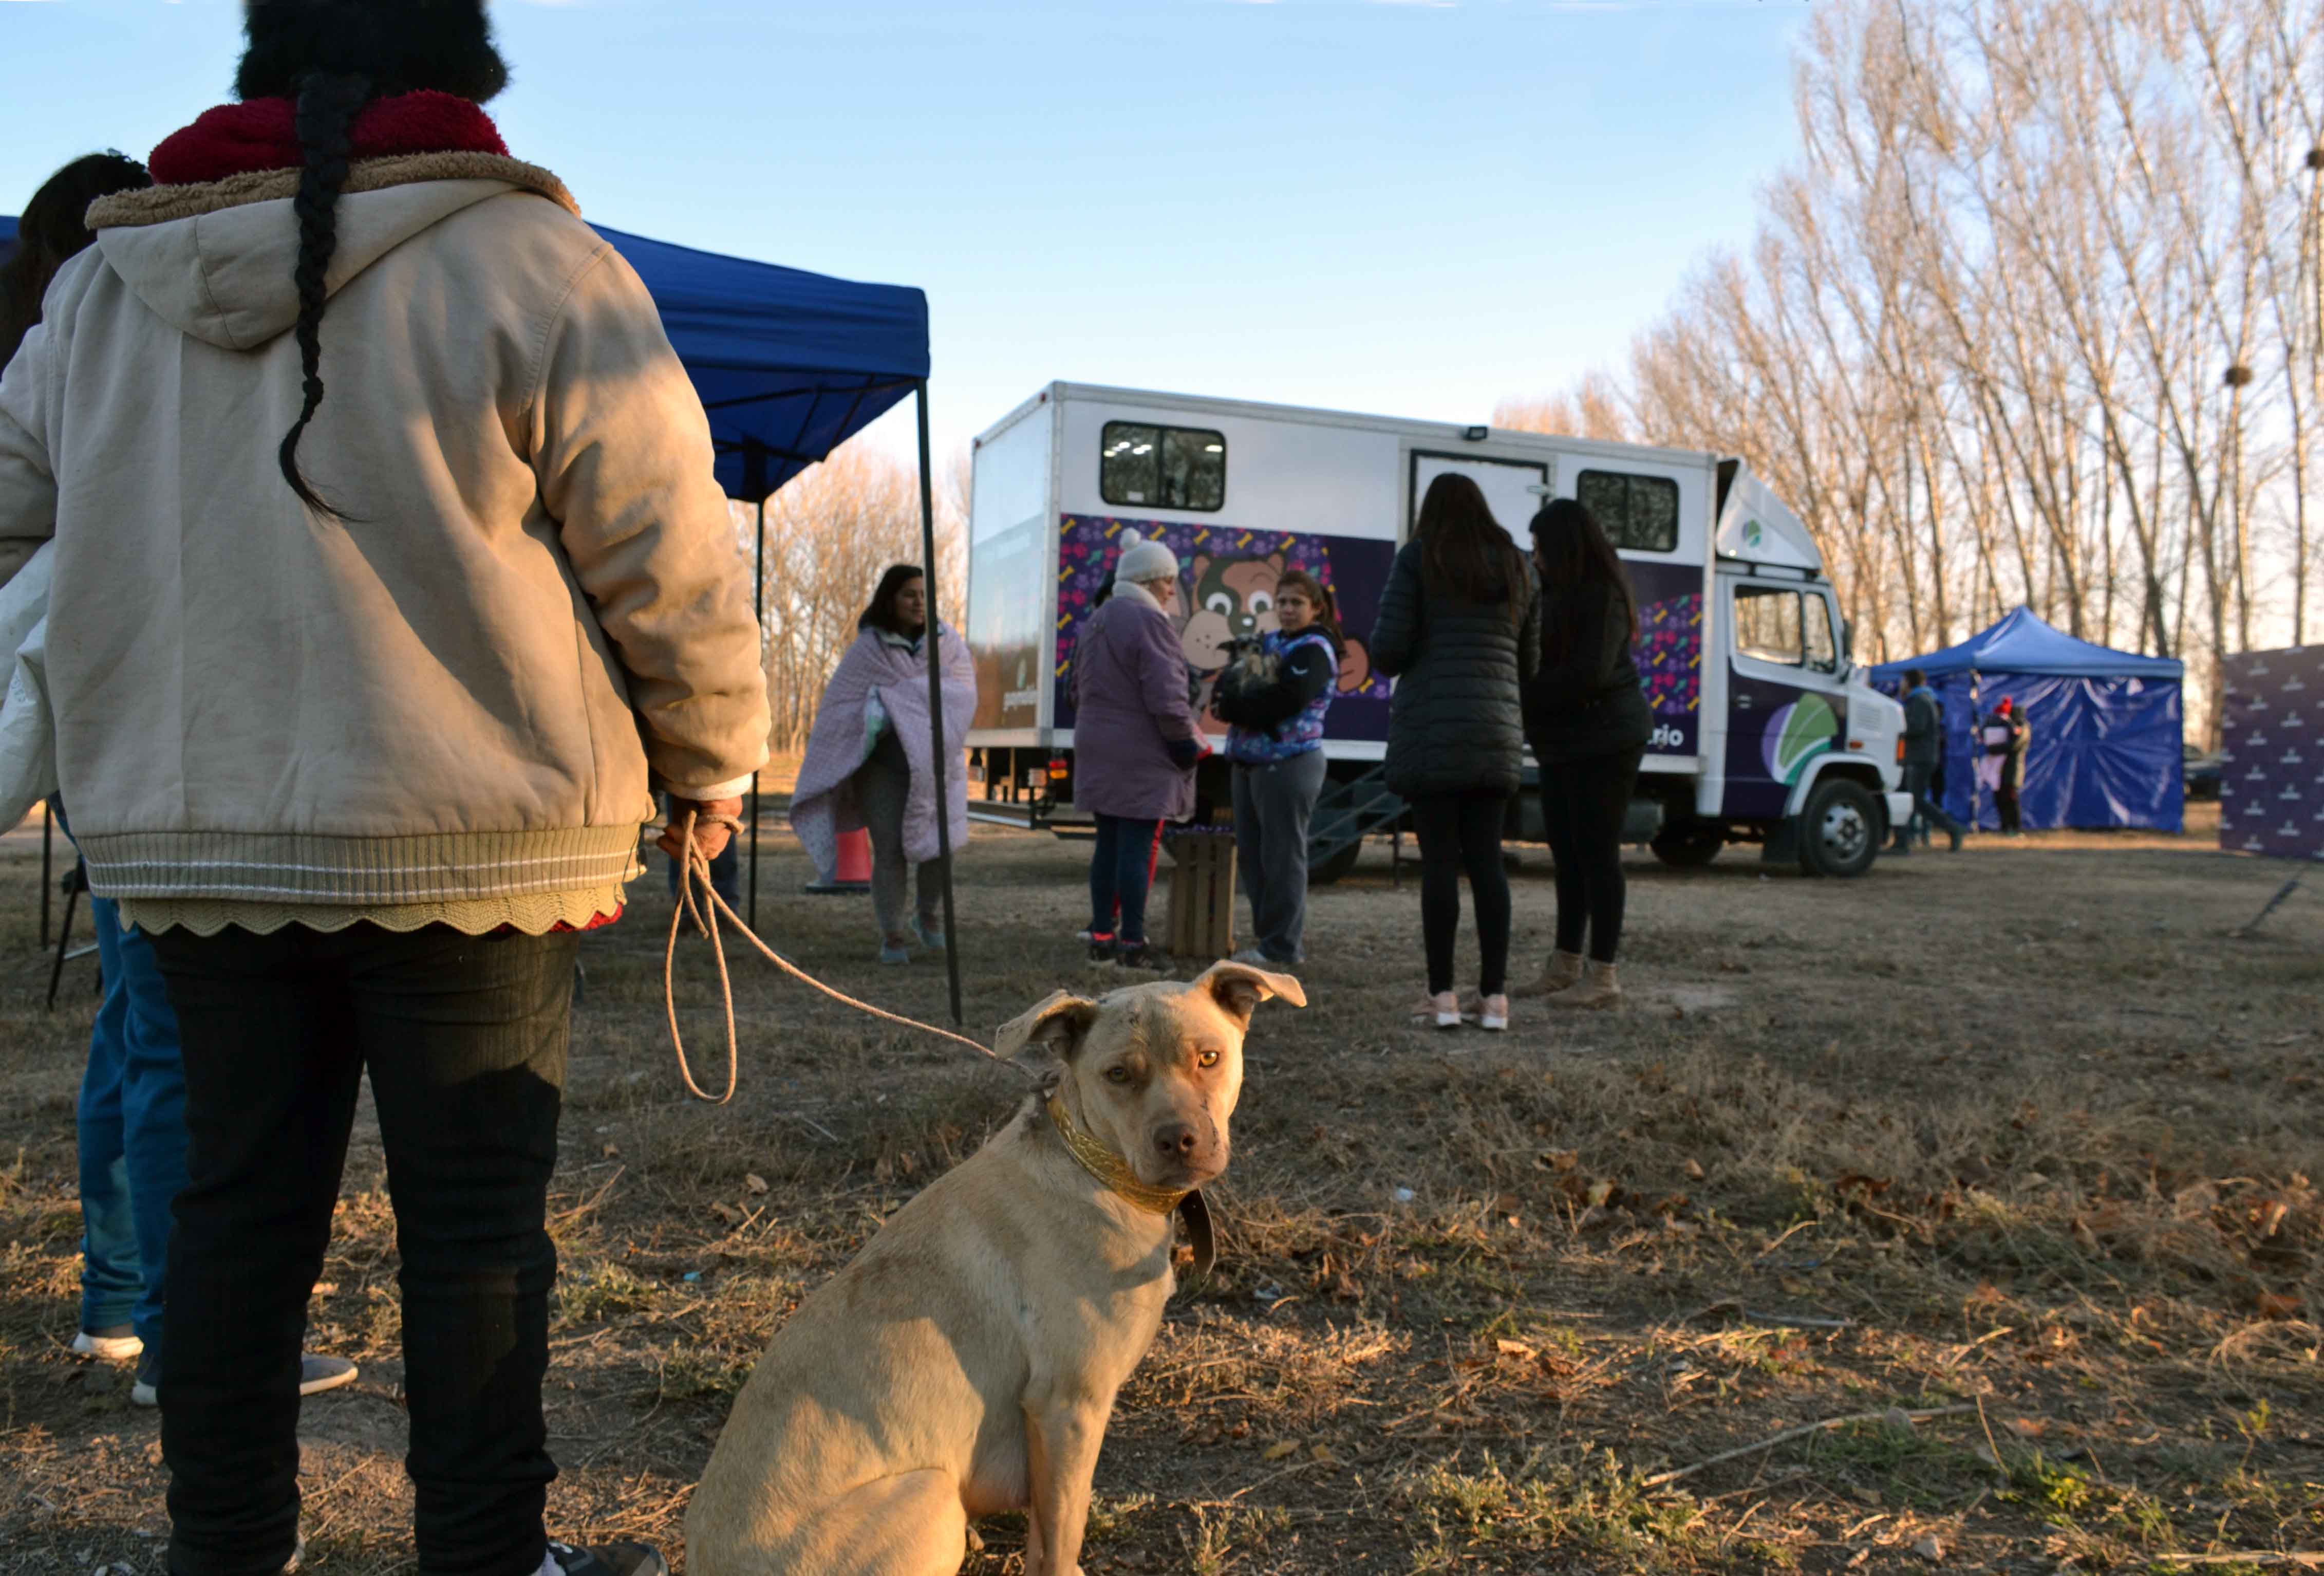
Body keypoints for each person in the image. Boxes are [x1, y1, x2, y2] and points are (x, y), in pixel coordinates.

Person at [0, 5, 770, 1573]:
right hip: (481, 832)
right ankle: (486, 1559)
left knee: (231, 1212)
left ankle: (222, 1552)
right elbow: (664, 554)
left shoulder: (97, 290)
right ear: (459, 76)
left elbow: (13, 523)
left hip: (198, 832)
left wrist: (108, 682)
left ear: (258, 72)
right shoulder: (540, 265)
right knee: (477, 1235)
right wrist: (711, 758)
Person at [4, 152, 359, 1412]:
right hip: (178, 748)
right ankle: (171, 1325)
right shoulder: (126, 347)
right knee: (174, 1052)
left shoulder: (58, 349)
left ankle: (117, 1301)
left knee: (132, 1036)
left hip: (114, 755)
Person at [1370, 473, 1540, 1031]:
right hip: (1494, 732)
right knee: (1488, 862)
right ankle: (1494, 1000)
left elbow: (1389, 651)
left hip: (1434, 731)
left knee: (1440, 862)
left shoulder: (1419, 558)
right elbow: (1529, 664)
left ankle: (1441, 996)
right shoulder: (1518, 565)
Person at [788, 564, 978, 963]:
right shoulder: (868, 650)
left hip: (938, 768)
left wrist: (897, 699)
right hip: (884, 771)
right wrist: (903, 703)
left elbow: (962, 696)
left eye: (925, 595)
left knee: (939, 848)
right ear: (890, 598)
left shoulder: (948, 645)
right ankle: (892, 934)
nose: (919, 603)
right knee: (889, 851)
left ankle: (927, 917)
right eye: (910, 594)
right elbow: (842, 707)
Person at [1514, 499, 1652, 1010]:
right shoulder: (1549, 593)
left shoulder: (1604, 595)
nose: (1537, 559)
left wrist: (1521, 695)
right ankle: (1565, 963)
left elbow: (1588, 674)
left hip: (1609, 736)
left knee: (1597, 854)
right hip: (1565, 740)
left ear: (1566, 547)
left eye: (1542, 549)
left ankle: (1604, 974)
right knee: (1567, 854)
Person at [1071, 534, 1205, 969]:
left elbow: (1075, 688)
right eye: (1167, 580)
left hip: (1097, 747)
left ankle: (1101, 935)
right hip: (1140, 753)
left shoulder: (1098, 620)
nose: (1171, 590)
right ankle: (1132, 942)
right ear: (1148, 579)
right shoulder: (1150, 622)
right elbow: (1168, 696)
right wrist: (1185, 744)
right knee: (1137, 847)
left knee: (1107, 845)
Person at [1214, 567, 1341, 967]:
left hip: (1289, 763)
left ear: (1316, 608)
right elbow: (1224, 687)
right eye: (1281, 602)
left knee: (1283, 857)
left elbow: (1286, 699)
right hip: (1249, 763)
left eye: (1296, 603)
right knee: (1254, 858)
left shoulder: (1315, 649)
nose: (1287, 610)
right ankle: (1268, 941)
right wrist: (1234, 699)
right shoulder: (1267, 643)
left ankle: (1283, 947)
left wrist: (1236, 705)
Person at [1892, 668, 1965, 855]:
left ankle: (1953, 828)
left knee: (1914, 800)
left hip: (1919, 758)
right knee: (1908, 798)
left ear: (1909, 682)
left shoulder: (1920, 702)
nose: (1901, 685)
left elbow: (1916, 727)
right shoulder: (1921, 701)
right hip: (1918, 757)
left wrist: (1896, 726)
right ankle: (1901, 842)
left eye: (1903, 681)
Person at [1985, 694, 2029, 835]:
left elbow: (2014, 746)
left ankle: (2016, 828)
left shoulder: (2023, 727)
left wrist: (1995, 748)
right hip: (2001, 768)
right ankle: (2005, 826)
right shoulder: (2008, 726)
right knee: (2000, 797)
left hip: (2013, 768)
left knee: (2011, 797)